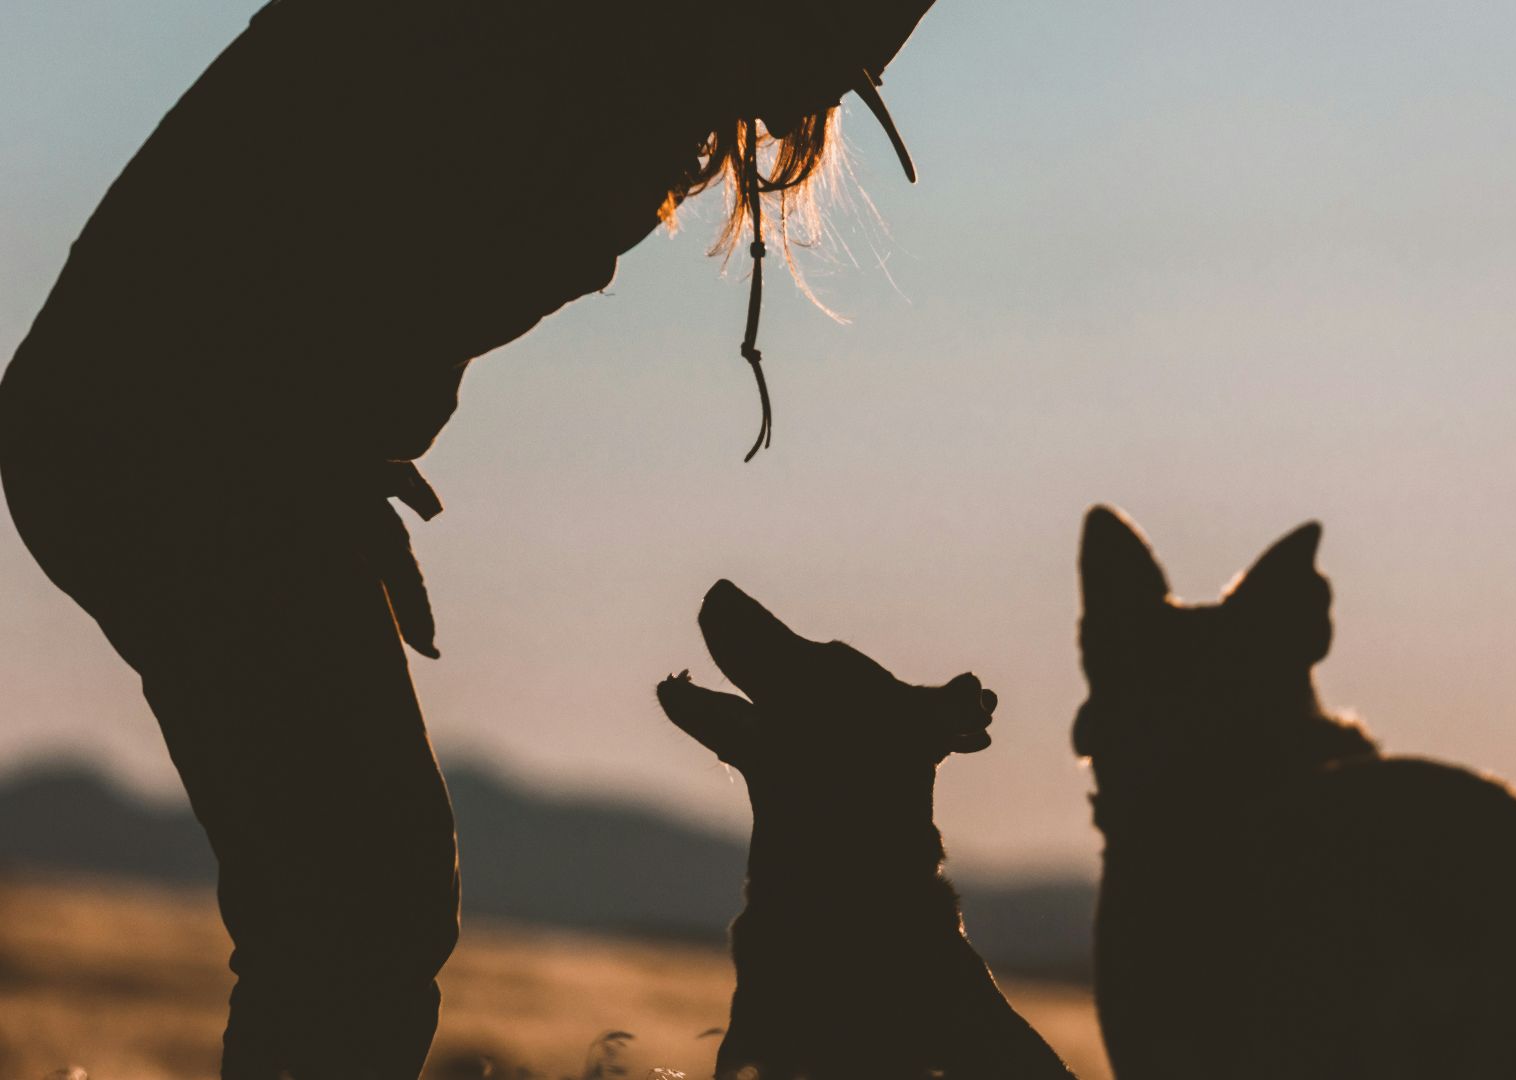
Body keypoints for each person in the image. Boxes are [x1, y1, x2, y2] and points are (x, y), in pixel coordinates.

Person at [0, 0, 935, 1074]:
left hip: (194, 428)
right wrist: (325, 455)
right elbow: (340, 216)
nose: (804, 104)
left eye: (844, 75)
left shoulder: (639, 88)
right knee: (363, 895)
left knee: (360, 890)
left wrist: (349, 460)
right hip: (171, 424)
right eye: (817, 52)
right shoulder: (559, 50)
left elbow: (373, 259)